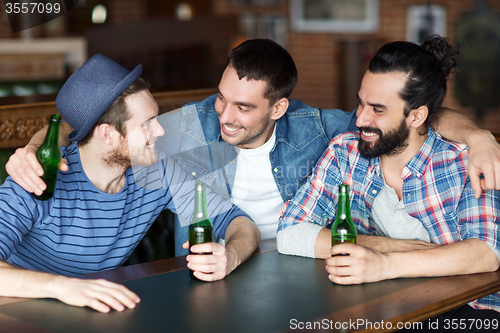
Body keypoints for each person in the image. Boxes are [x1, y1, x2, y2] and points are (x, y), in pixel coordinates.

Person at [6, 39, 500, 256]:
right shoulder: (188, 128)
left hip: (298, 265)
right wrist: (35, 143)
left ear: (278, 108)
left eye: (244, 107)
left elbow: (400, 121)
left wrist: (478, 136)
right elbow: (98, 127)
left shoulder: (316, 128)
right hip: (216, 271)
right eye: (222, 99)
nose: (224, 116)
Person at [0, 54, 260, 313]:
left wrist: (231, 256)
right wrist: (64, 287)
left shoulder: (157, 173)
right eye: (147, 124)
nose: (160, 131)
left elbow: (241, 223)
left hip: (96, 314)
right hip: (22, 314)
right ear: (107, 134)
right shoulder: (37, 178)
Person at [277, 36, 500, 328]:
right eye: (361, 103)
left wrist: (383, 264)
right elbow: (290, 231)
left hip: (465, 312)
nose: (360, 119)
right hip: (378, 307)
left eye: (378, 109)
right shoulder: (345, 153)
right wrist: (383, 248)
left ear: (418, 115)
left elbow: (486, 253)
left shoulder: (461, 162)